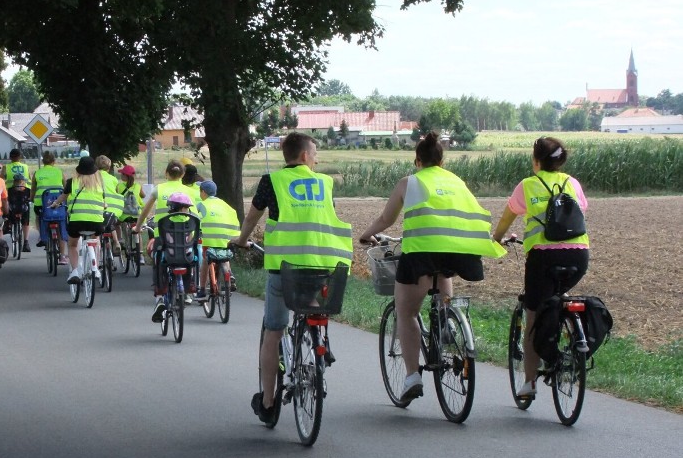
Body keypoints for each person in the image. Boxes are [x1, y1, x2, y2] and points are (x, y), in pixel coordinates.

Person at [359, 132, 505, 405]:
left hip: (422, 251)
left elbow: (385, 218)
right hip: (459, 251)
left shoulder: (409, 183)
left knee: (406, 311)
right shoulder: (457, 182)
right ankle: (446, 320)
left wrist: (366, 235)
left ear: (418, 161)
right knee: (443, 281)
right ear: (442, 160)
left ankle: (413, 376)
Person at [231, 132, 353, 424]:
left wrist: (242, 240)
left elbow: (252, 217)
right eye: (315, 154)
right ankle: (319, 342)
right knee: (314, 306)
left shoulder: (271, 182)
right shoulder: (325, 183)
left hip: (284, 268)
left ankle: (269, 402)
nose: (317, 159)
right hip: (324, 265)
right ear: (303, 156)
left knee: (273, 331)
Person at [491, 136, 589, 399]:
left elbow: (507, 217)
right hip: (579, 257)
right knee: (559, 296)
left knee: (533, 314)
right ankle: (564, 341)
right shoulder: (572, 183)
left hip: (543, 259)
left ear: (536, 161)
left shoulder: (527, 186)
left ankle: (530, 383)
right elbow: (580, 211)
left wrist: (497, 239)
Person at [47, 156, 107, 284]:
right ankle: (95, 268)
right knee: (96, 240)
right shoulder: (99, 184)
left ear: (79, 170)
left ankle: (74, 271)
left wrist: (55, 204)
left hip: (77, 222)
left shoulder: (72, 182)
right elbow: (103, 202)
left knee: (73, 244)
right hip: (96, 223)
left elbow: (62, 197)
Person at [147, 192, 201, 322]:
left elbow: (162, 242)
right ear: (183, 208)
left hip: (169, 258)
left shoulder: (165, 222)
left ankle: (160, 295)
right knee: (195, 257)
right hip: (187, 258)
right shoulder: (192, 222)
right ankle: (191, 287)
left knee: (158, 260)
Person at [195, 180, 240, 302]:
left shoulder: (201, 205)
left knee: (205, 260)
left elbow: (194, 220)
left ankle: (203, 289)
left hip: (209, 239)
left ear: (203, 192)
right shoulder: (226, 205)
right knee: (224, 257)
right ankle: (228, 274)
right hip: (227, 239)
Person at [30, 151, 66, 250]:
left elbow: (33, 188)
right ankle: (63, 255)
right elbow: (66, 188)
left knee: (38, 217)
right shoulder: (59, 172)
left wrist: (32, 199)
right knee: (60, 223)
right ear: (54, 161)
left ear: (43, 162)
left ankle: (41, 235)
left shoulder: (37, 173)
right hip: (58, 203)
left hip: (41, 204)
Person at [96, 155, 124, 246]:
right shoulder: (113, 179)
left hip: (98, 208)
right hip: (114, 209)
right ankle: (116, 242)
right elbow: (116, 192)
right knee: (110, 222)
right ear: (109, 167)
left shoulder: (93, 178)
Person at [6, 174, 32, 252]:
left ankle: (9, 226)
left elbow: (6, 199)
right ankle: (26, 242)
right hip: (24, 210)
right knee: (26, 223)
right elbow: (30, 199)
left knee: (8, 216)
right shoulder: (27, 190)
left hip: (13, 210)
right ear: (23, 181)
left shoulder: (10, 190)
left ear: (14, 182)